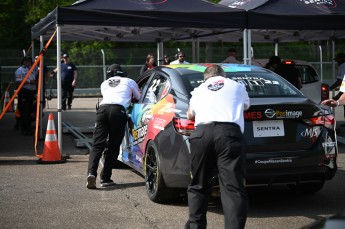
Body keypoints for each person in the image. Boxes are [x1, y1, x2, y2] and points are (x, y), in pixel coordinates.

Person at [185, 64, 250, 229]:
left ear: (205, 78)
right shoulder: (237, 86)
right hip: (229, 134)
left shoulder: (198, 89)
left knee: (199, 185)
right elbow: (246, 106)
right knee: (232, 189)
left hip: (202, 134)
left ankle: (195, 226)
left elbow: (190, 114)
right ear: (224, 76)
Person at [86, 64, 141, 189]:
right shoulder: (129, 81)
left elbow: (109, 95)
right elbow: (139, 97)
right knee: (113, 146)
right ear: (122, 72)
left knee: (97, 145)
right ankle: (105, 178)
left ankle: (91, 173)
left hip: (102, 110)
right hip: (118, 111)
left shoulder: (104, 83)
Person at [15, 56, 37, 135]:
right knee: (24, 111)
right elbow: (18, 81)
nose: (28, 63)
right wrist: (30, 82)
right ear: (23, 62)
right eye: (26, 61)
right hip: (24, 91)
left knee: (30, 110)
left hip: (31, 92)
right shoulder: (20, 70)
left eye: (29, 61)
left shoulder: (32, 70)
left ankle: (27, 126)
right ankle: (24, 128)